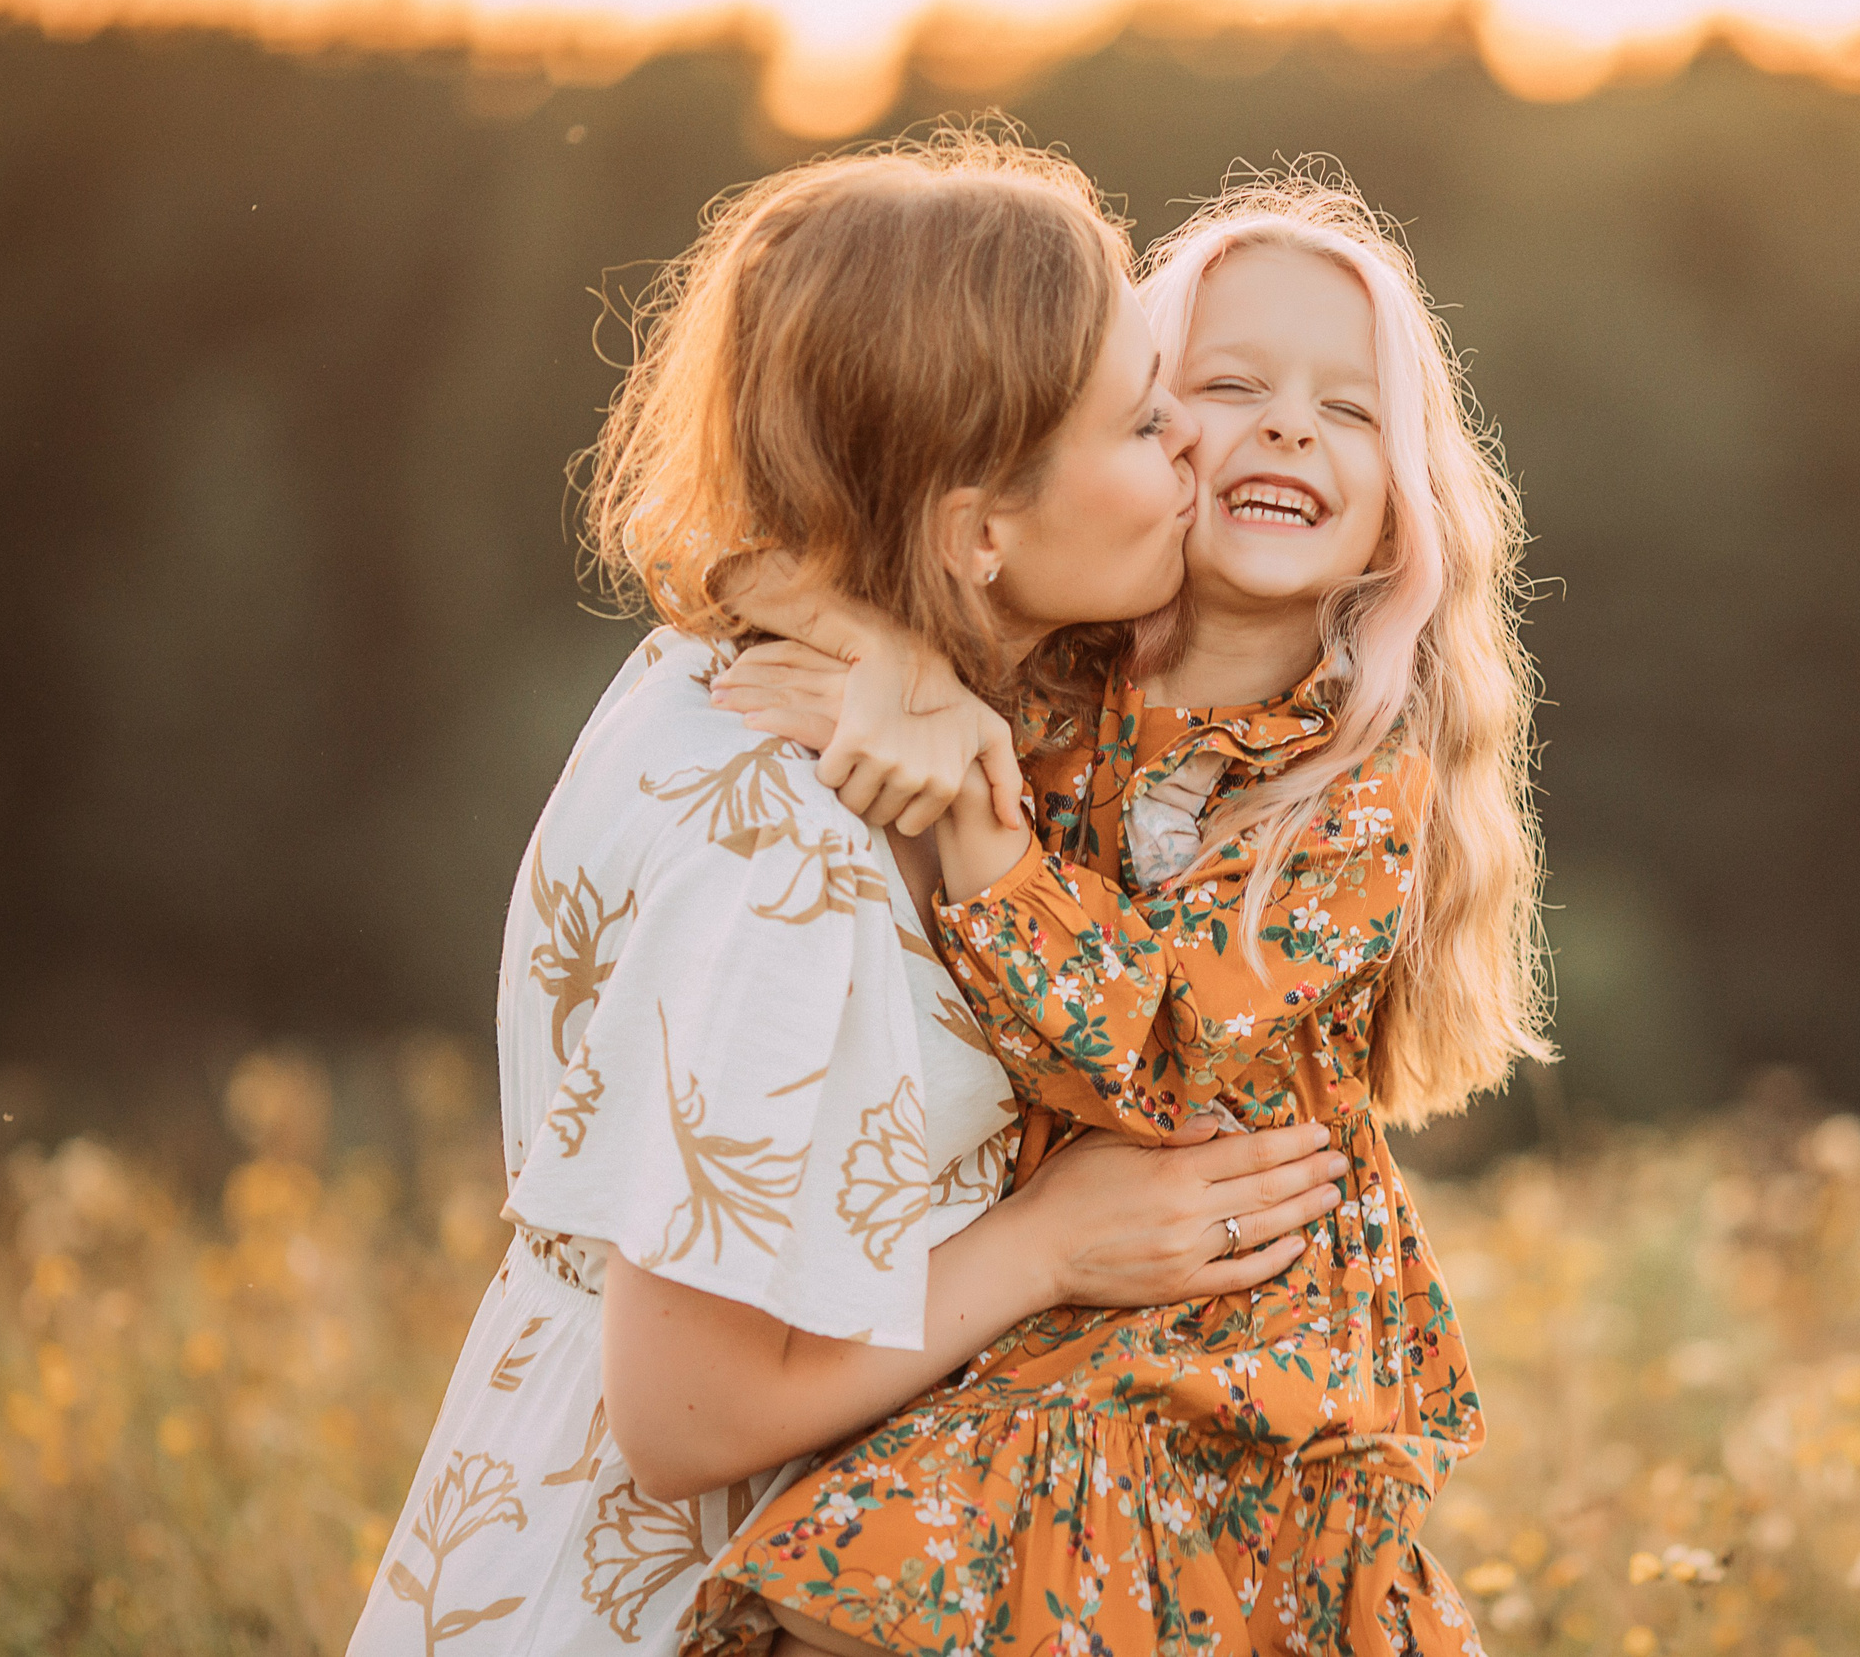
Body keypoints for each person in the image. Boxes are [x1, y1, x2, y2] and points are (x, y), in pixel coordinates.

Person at [345, 131, 1349, 1657]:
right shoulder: (785, 870)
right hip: (667, 1585)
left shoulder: (750, 667)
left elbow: (764, 557)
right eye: (1147, 422)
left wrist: (925, 686)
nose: (1199, 453)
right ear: (977, 528)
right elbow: (684, 1412)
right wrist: (1053, 1246)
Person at [688, 167, 1549, 1657]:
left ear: (1401, 515)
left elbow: (1157, 1054)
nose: (1290, 425)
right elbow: (785, 561)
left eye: (1350, 411)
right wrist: (891, 669)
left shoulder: (1357, 790)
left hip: (1226, 1352)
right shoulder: (1052, 678)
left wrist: (977, 825)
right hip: (1041, 1306)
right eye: (1229, 385)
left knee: (866, 1575)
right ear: (1136, 435)